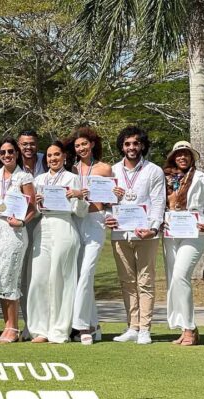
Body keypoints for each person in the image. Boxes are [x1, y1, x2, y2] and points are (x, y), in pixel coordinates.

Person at [105, 126, 165, 345]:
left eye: (136, 143)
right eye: (127, 143)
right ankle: (132, 326)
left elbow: (159, 203)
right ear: (122, 146)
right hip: (120, 233)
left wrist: (154, 228)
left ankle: (145, 330)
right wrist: (107, 217)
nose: (131, 147)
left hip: (145, 233)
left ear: (142, 145)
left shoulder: (153, 171)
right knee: (127, 281)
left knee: (145, 282)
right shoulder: (112, 171)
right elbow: (104, 203)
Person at [26, 142, 88, 343]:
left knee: (60, 278)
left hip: (65, 226)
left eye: (56, 155)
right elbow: (34, 212)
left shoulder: (73, 178)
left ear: (64, 157)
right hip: (43, 228)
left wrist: (78, 197)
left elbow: (81, 212)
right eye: (50, 156)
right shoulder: (39, 179)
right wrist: (37, 203)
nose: (52, 158)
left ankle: (59, 330)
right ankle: (39, 329)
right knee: (38, 278)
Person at [162, 141, 204, 346]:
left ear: (192, 157)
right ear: (173, 157)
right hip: (171, 232)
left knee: (180, 275)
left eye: (186, 154)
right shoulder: (165, 178)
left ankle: (190, 328)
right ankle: (185, 327)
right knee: (173, 279)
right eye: (179, 154)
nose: (182, 157)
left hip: (195, 232)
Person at [0, 137, 36, 343]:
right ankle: (7, 326)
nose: (7, 155)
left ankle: (13, 328)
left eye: (11, 152)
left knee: (10, 277)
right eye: (3, 152)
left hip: (14, 232)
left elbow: (32, 208)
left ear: (17, 154)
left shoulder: (24, 177)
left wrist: (22, 223)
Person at [69, 127, 113, 344]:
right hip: (76, 221)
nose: (81, 148)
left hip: (96, 221)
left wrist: (117, 198)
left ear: (92, 144)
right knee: (78, 276)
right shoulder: (71, 170)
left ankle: (82, 327)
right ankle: (94, 325)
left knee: (86, 274)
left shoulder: (104, 168)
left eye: (84, 144)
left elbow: (113, 199)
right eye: (77, 145)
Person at [16, 129, 44, 339]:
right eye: (24, 144)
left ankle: (45, 323)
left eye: (32, 143)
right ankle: (28, 324)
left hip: (46, 224)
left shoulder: (47, 160)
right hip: (20, 225)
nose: (28, 147)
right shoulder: (12, 165)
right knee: (24, 278)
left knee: (41, 276)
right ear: (19, 145)